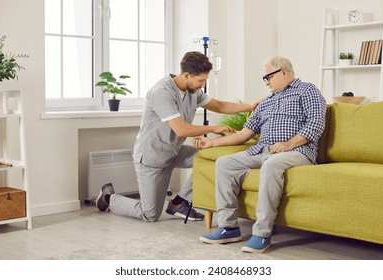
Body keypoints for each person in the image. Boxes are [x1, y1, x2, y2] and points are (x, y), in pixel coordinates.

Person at [96, 51, 260, 223]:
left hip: (175, 151)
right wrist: (213, 128)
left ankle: (179, 202)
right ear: (187, 75)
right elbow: (180, 129)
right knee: (150, 214)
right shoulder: (161, 91)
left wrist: (249, 106)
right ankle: (108, 198)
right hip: (152, 157)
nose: (202, 85)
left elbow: (218, 105)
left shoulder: (192, 91)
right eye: (201, 81)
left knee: (212, 161)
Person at [194, 56, 326, 253]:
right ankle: (229, 228)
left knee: (272, 165)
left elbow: (316, 123)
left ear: (283, 72)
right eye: (264, 79)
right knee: (224, 163)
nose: (266, 82)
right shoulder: (266, 102)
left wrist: (288, 144)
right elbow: (244, 134)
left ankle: (262, 233)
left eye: (268, 77)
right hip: (260, 151)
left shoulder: (307, 90)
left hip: (297, 151)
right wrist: (212, 142)